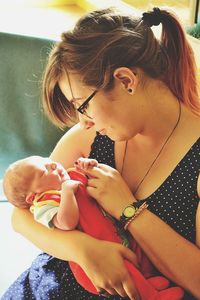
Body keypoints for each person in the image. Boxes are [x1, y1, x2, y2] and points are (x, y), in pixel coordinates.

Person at [2, 5, 200, 300]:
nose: (82, 121)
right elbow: (21, 215)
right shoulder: (92, 137)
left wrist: (129, 210)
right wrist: (83, 250)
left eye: (82, 105)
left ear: (125, 81)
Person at [3, 156, 184, 299]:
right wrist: (66, 192)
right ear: (32, 196)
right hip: (92, 268)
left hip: (114, 236)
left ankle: (150, 282)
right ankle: (153, 296)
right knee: (125, 273)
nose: (53, 165)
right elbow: (66, 223)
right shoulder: (45, 203)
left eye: (49, 162)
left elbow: (90, 178)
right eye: (44, 171)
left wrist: (88, 166)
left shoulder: (67, 176)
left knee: (135, 257)